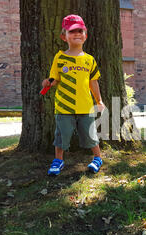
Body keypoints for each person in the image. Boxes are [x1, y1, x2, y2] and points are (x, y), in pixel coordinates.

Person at [41, 14, 105, 176]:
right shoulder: (60, 57)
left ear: (86, 35)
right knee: (62, 135)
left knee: (90, 134)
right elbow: (54, 78)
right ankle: (58, 160)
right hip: (64, 107)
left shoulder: (90, 60)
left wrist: (99, 100)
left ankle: (97, 158)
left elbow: (93, 82)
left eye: (80, 30)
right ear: (64, 36)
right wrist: (48, 82)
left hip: (85, 106)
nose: (77, 33)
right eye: (72, 31)